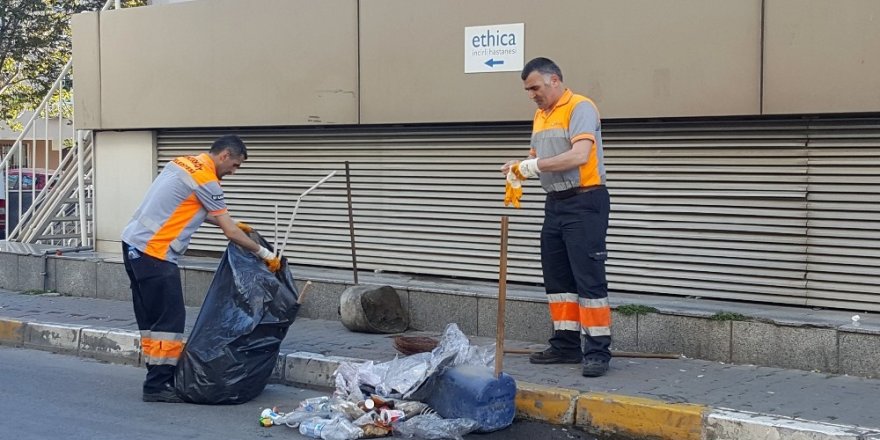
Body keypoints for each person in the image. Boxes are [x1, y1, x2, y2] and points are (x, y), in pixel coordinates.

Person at [121, 134, 280, 402]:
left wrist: (228, 221)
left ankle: (157, 374)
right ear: (225, 156)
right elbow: (230, 232)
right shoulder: (208, 179)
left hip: (132, 246)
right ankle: (157, 386)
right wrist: (264, 253)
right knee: (169, 322)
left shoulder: (182, 163)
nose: (234, 172)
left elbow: (190, 207)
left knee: (151, 319)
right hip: (156, 253)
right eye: (236, 165)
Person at [502, 57, 612, 377]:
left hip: (584, 201)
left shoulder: (580, 107)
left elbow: (580, 156)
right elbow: (536, 158)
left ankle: (597, 352)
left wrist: (532, 167)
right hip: (556, 203)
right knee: (558, 279)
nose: (531, 94)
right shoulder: (541, 115)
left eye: (535, 87)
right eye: (527, 90)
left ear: (554, 80)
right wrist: (517, 168)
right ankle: (566, 345)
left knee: (588, 278)